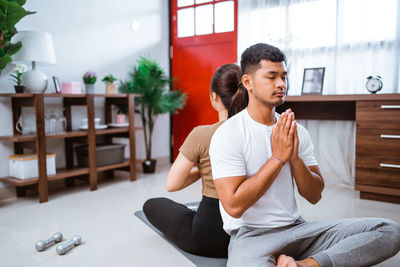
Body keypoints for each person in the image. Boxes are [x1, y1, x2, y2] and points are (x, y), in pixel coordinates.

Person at [209, 43, 400, 267]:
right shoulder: (228, 134)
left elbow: (314, 195)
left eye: (284, 76)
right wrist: (278, 158)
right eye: (271, 77)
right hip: (252, 237)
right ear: (248, 82)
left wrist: (294, 157)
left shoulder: (296, 131)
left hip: (298, 229)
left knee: (388, 231)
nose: (281, 84)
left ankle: (306, 264)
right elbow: (233, 206)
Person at [143, 64, 248, 257]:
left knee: (152, 204)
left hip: (210, 237)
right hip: (250, 234)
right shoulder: (259, 131)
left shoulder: (202, 134)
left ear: (214, 97)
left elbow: (172, 184)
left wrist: (204, 167)